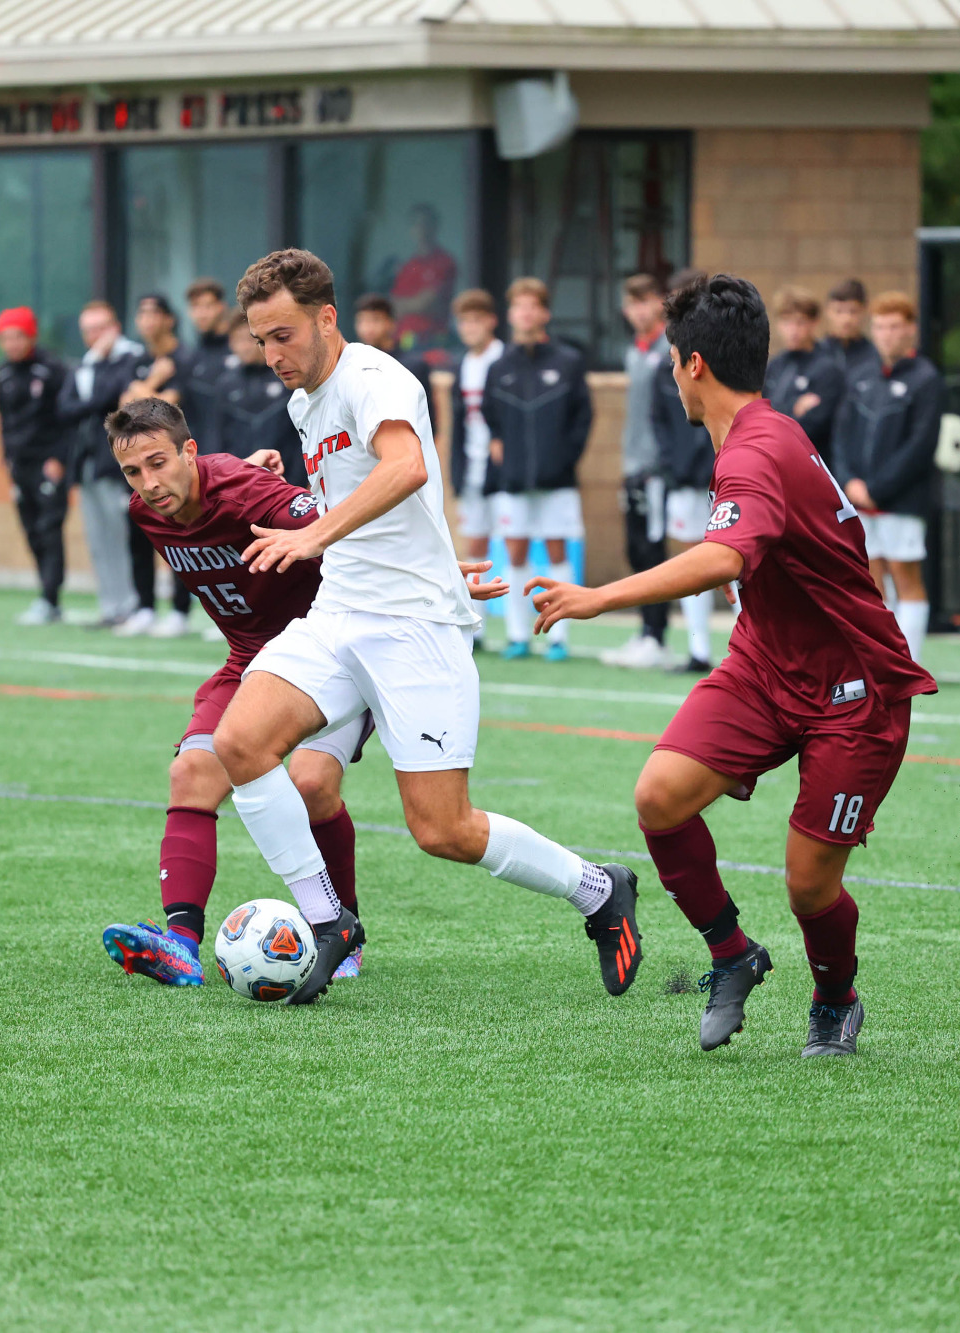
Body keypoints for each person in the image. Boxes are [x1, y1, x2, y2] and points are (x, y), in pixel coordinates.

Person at [213, 248, 641, 1006]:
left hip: (414, 629)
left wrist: (315, 539)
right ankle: (328, 919)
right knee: (238, 743)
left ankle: (599, 889)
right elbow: (381, 507)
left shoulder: (375, 379)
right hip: (340, 613)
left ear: (326, 317)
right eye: (259, 340)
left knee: (442, 830)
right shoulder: (304, 403)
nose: (272, 354)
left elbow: (406, 468)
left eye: (283, 334)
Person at [526, 273, 936, 1058]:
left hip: (855, 687)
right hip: (766, 660)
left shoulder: (757, 447)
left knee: (809, 882)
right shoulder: (751, 435)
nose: (671, 375)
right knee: (661, 797)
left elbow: (724, 555)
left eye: (673, 361)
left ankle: (834, 998)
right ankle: (731, 953)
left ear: (694, 366)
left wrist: (600, 595)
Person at [98, 396, 371, 986]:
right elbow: (207, 503)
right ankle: (179, 946)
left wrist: (440, 578)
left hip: (336, 652)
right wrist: (224, 473)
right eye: (133, 471)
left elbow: (348, 527)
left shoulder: (254, 495)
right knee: (192, 772)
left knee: (312, 785)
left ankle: (342, 934)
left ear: (188, 452)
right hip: (250, 659)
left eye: (159, 462)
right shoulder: (148, 511)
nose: (149, 482)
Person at [482, 277, 593, 661]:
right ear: (510, 315)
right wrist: (500, 449)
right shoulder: (499, 367)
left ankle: (558, 637)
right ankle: (518, 635)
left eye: (533, 306)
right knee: (514, 555)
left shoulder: (568, 361)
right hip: (512, 483)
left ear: (545, 313)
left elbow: (583, 419)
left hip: (557, 481)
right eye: (519, 307)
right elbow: (490, 418)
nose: (526, 313)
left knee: (558, 553)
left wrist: (562, 459)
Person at [832, 291, 940, 661]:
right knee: (872, 583)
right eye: (880, 327)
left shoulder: (926, 379)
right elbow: (841, 436)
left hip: (902, 500)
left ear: (910, 330)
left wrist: (878, 488)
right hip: (860, 501)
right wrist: (850, 483)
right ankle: (881, 659)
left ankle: (909, 663)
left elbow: (921, 444)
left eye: (895, 326)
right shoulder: (860, 376)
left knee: (906, 577)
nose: (887, 334)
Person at [601, 274, 676, 669]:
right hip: (633, 464)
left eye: (646, 302)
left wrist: (660, 461)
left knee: (653, 551)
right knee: (636, 549)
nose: (638, 311)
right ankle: (645, 631)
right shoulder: (635, 351)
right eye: (632, 304)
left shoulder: (670, 348)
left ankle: (657, 636)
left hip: (657, 468)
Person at [55, 300, 145, 627]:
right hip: (87, 464)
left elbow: (112, 399)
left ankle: (133, 605)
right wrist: (91, 403)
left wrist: (89, 403)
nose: (95, 336)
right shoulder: (86, 365)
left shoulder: (131, 358)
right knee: (98, 540)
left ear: (115, 328)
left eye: (100, 328)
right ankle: (111, 606)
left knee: (122, 536)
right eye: (88, 330)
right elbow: (64, 409)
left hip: (118, 465)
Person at [652, 270, 720, 674]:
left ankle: (752, 654)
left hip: (721, 473)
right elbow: (659, 422)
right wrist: (674, 465)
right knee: (689, 562)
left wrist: (709, 460)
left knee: (736, 562)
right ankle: (698, 650)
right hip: (681, 481)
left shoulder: (716, 355)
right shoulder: (666, 366)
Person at [0, 307, 70, 626]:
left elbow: (66, 420)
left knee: (49, 529)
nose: (11, 343)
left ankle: (50, 599)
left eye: (17, 336)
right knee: (31, 530)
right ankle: (44, 595)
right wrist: (7, 458)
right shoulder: (4, 374)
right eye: (5, 338)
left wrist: (59, 458)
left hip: (48, 463)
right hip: (20, 465)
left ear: (31, 336)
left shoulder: (52, 370)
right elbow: (4, 422)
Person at [114, 292, 185, 636]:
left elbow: (166, 408)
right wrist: (155, 379)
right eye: (141, 313)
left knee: (180, 533)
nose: (146, 320)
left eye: (153, 313)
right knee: (139, 531)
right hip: (139, 462)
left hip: (172, 461)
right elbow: (125, 412)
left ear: (169, 319)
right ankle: (144, 607)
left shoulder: (184, 357)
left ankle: (180, 610)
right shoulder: (138, 360)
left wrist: (149, 389)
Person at [446, 288, 504, 647]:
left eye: (475, 320)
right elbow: (457, 423)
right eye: (463, 321)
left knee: (513, 546)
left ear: (491, 322)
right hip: (471, 467)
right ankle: (476, 626)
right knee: (475, 545)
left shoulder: (504, 359)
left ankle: (520, 630)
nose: (469, 328)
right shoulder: (461, 364)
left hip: (502, 470)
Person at [213, 309, 306, 485]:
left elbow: (300, 436)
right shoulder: (225, 385)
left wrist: (299, 482)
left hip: (288, 482)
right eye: (237, 340)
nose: (244, 346)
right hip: (242, 484)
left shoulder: (287, 377)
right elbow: (219, 439)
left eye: (249, 339)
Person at [765, 286, 842, 461]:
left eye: (800, 322)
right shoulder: (775, 366)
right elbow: (760, 411)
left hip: (811, 464)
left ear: (814, 323)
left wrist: (777, 413)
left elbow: (812, 426)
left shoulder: (827, 368)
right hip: (775, 461)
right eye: (787, 322)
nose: (793, 330)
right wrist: (794, 406)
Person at [389, 203, 457, 351]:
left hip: (431, 343)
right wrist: (412, 304)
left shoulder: (443, 261)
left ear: (435, 227)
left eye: (425, 224)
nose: (421, 229)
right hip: (402, 342)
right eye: (416, 224)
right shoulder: (408, 266)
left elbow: (427, 303)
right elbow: (392, 306)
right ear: (411, 230)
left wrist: (407, 305)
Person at [175, 277, 237, 441]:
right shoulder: (191, 357)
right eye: (195, 307)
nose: (201, 314)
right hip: (200, 453)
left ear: (221, 307)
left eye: (208, 306)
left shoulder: (241, 350)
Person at [353, 293, 435, 409]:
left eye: (375, 320)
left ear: (391, 324)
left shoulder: (414, 367)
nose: (367, 328)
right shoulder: (353, 367)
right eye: (362, 321)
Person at [823, 279, 880, 382]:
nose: (846, 319)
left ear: (864, 310)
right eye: (839, 311)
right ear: (828, 311)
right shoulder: (816, 354)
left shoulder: (876, 356)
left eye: (853, 311)